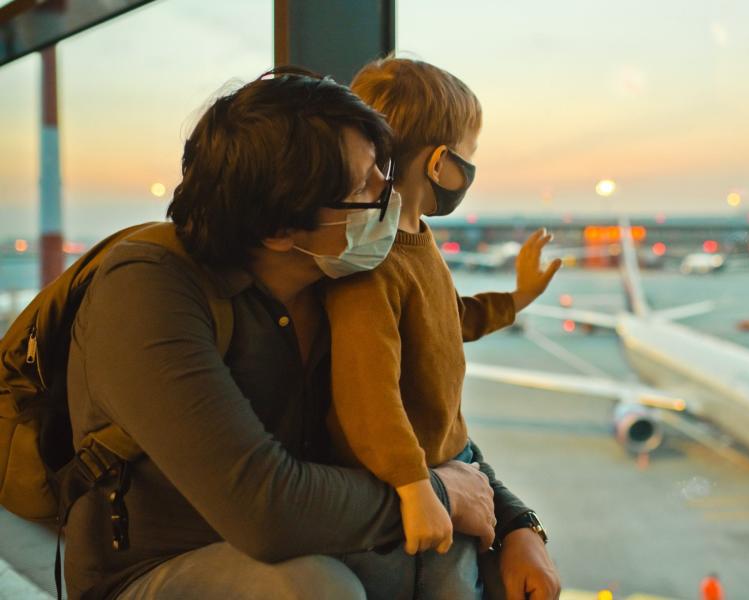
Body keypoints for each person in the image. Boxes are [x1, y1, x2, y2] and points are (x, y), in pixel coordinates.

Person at [64, 66, 557, 600]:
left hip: (316, 538)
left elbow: (425, 421)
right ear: (280, 228)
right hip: (162, 566)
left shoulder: (337, 276)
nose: (387, 193)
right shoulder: (148, 291)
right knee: (317, 591)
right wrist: (435, 492)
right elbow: (265, 508)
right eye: (363, 185)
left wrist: (516, 526)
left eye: (383, 170)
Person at [317, 57, 562, 600]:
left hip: (446, 467)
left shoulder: (417, 241)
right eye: (469, 157)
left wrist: (516, 298)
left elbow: (450, 320)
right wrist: (414, 486)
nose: (470, 172)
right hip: (407, 491)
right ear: (438, 165)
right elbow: (366, 394)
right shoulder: (372, 265)